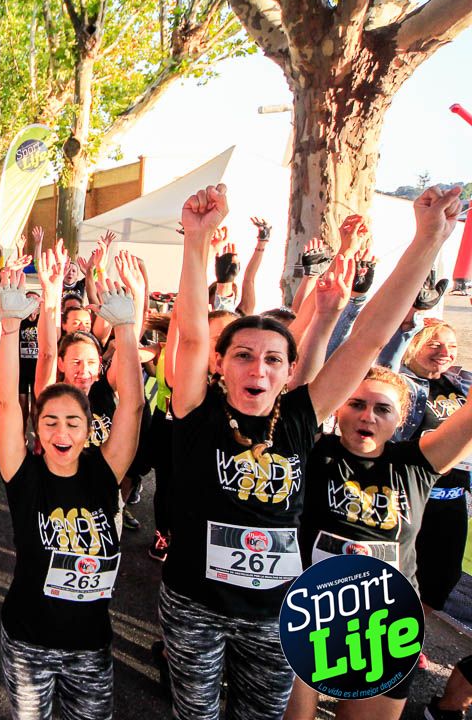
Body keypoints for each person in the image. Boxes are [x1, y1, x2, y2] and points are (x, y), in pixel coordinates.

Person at [160, 183, 461, 720]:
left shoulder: (302, 415)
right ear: (220, 365)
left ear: (289, 370)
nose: (258, 368)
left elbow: (369, 339)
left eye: (273, 359)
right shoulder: (195, 410)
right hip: (195, 607)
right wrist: (197, 240)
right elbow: (191, 334)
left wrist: (426, 241)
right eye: (243, 355)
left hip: (277, 613)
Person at [0, 265, 143, 720]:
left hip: (90, 649)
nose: (61, 433)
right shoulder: (24, 476)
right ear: (37, 429)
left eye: (73, 423)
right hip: (28, 644)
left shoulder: (103, 472)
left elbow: (134, 406)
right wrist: (9, 327)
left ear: (88, 429)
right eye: (50, 422)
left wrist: (127, 328)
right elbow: (7, 401)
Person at [286, 366, 472, 720]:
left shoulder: (417, 462)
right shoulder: (311, 451)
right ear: (338, 407)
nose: (367, 416)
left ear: (400, 419)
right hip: (309, 616)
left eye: (382, 409)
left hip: (386, 624)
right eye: (356, 404)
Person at [401, 320, 472, 612]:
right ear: (413, 346)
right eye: (434, 344)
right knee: (403, 578)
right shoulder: (401, 384)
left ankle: (423, 632)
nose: (445, 352)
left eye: (451, 346)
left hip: (454, 500)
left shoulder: (459, 383)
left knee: (443, 579)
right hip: (415, 500)